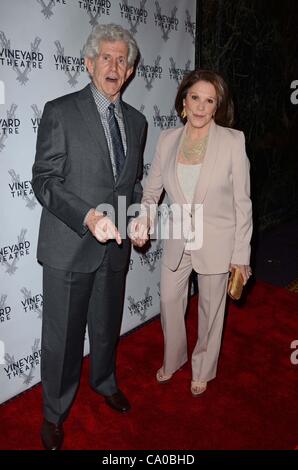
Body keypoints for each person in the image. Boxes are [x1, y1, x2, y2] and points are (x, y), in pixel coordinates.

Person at [32, 23, 147, 450]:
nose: (114, 66)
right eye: (106, 57)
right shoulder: (60, 111)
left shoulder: (137, 122)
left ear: (132, 70)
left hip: (114, 250)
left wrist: (136, 216)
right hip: (68, 245)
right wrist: (87, 216)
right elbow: (44, 180)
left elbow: (130, 184)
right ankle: (54, 412)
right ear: (88, 63)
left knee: (105, 327)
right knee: (62, 338)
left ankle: (103, 381)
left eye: (123, 59)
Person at [130, 69, 252, 397]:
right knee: (170, 300)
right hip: (177, 237)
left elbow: (243, 202)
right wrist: (144, 218)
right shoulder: (168, 140)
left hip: (216, 238)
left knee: (211, 309)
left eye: (209, 100)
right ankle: (175, 358)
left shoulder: (232, 141)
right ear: (184, 101)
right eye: (195, 98)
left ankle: (203, 367)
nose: (200, 106)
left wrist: (241, 253)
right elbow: (153, 189)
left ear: (217, 107)